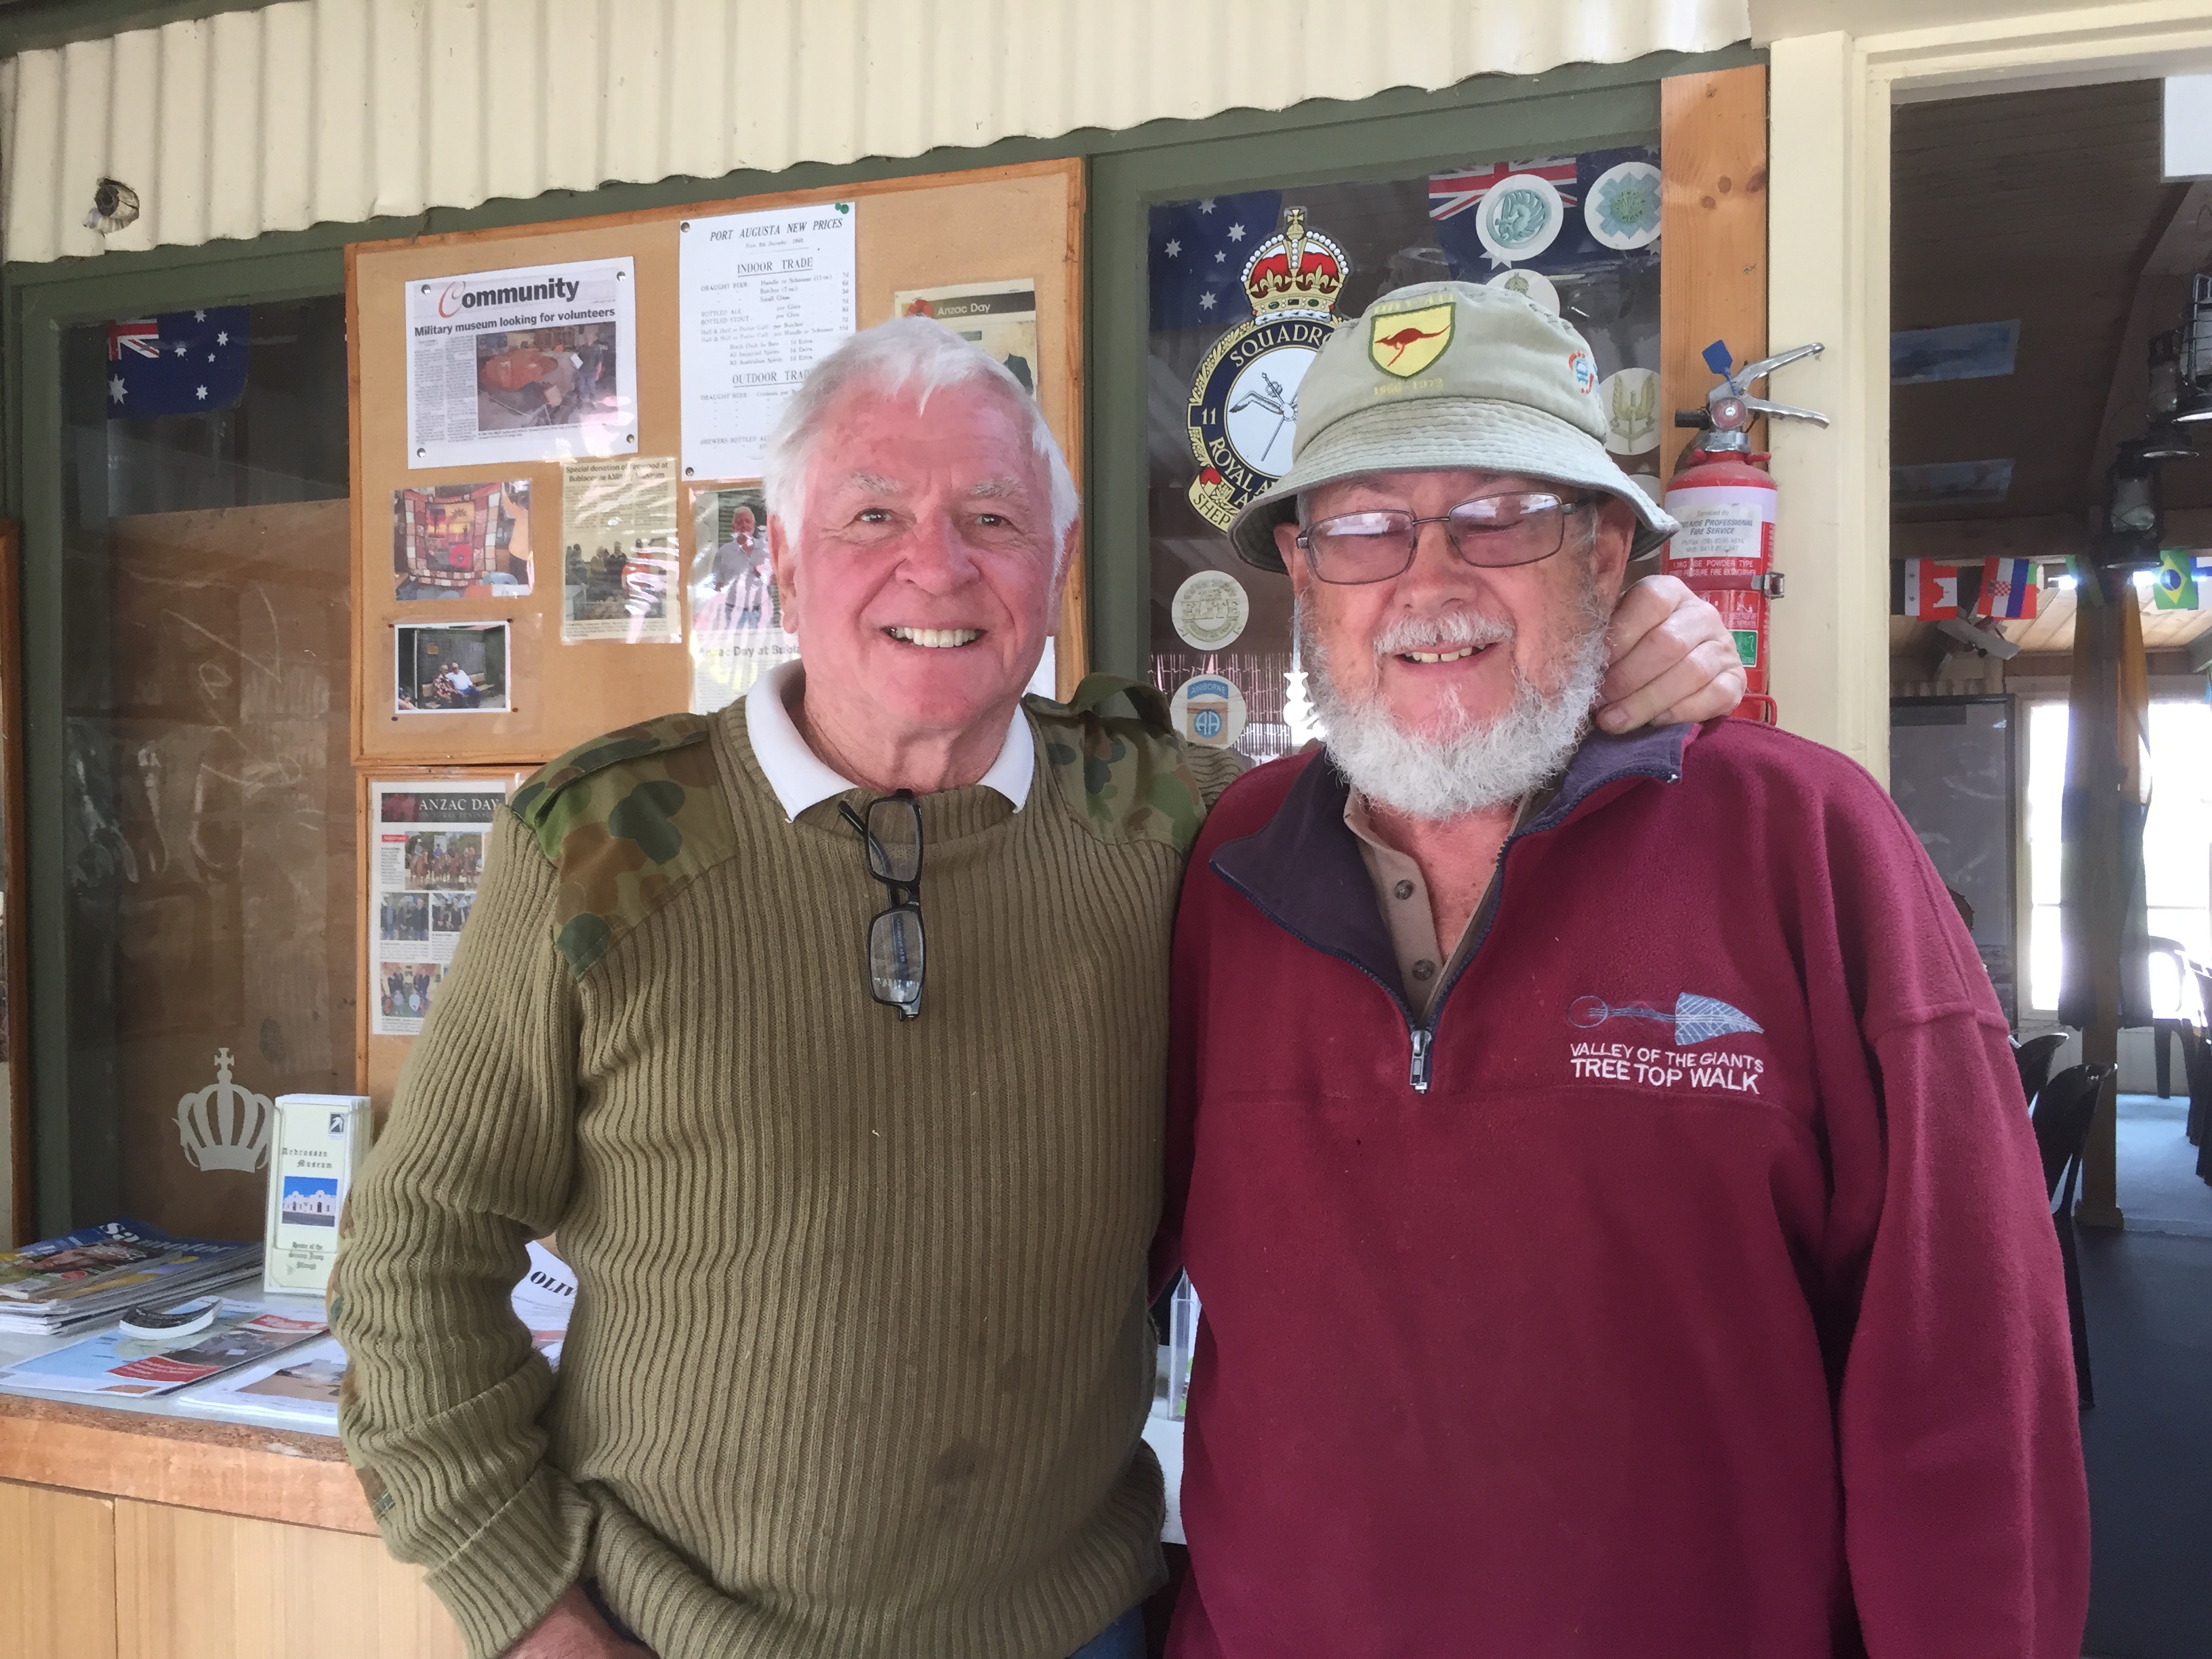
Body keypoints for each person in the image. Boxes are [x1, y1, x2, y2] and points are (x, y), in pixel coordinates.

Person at [329, 316, 1743, 1659]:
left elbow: (1432, 756)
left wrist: (1612, 638)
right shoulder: (597, 849)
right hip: (676, 1631)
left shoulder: (1178, 822)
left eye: (994, 520)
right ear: (783, 562)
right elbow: (412, 1260)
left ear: (1057, 565)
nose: (937, 568)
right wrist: (529, 1609)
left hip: (1078, 1629)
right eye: (873, 515)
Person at [1153, 281, 2089, 1657]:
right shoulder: (1229, 862)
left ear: (1603, 554)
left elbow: (1968, 1383)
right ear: (1303, 572)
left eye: (1501, 516)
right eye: (1363, 526)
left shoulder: (1807, 841)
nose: (1428, 582)